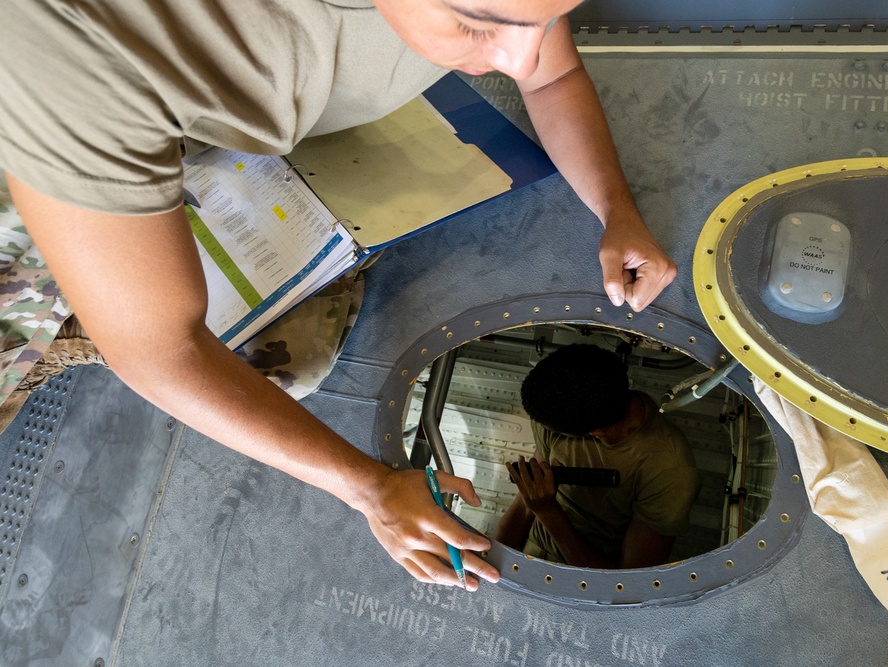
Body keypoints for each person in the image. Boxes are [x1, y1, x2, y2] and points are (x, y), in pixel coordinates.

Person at [0, 0, 678, 589]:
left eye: (545, 17)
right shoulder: (69, 45)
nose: (518, 54)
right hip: (79, 131)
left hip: (252, 138)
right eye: (479, 24)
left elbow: (550, 71)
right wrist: (369, 487)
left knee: (290, 358)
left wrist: (616, 208)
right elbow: (157, 349)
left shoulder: (502, 24)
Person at [495, 344, 699, 568]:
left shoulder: (670, 468)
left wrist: (548, 512)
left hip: (583, 583)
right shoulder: (557, 408)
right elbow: (528, 502)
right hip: (527, 556)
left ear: (594, 433)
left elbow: (624, 584)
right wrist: (491, 561)